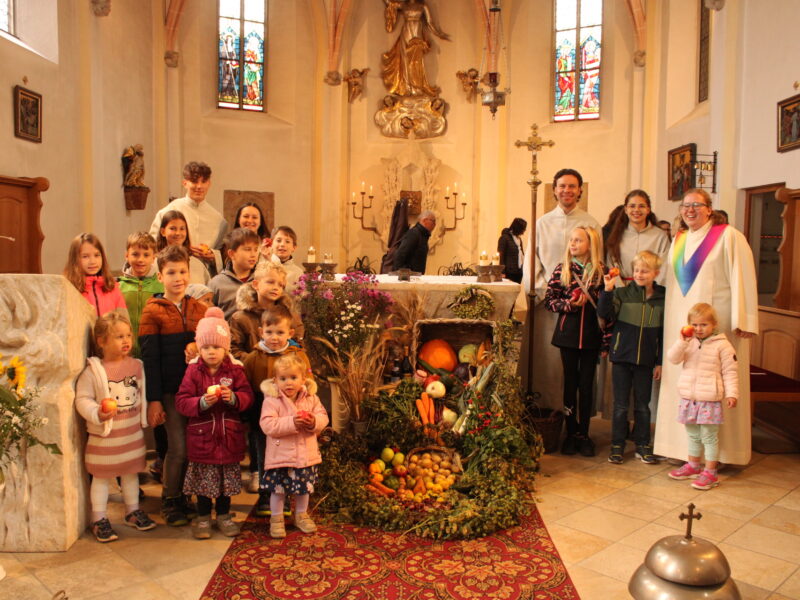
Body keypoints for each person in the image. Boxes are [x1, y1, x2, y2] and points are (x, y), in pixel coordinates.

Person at [655, 189, 758, 466]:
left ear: (709, 209)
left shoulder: (728, 236)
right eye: (685, 206)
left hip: (718, 325)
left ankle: (720, 455)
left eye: (696, 205)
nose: (690, 210)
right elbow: (669, 285)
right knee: (684, 380)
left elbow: (743, 277)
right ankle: (680, 449)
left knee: (716, 383)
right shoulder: (677, 240)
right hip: (682, 322)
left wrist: (744, 319)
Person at [139, 245, 207, 526]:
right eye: (171, 272)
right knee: (177, 448)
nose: (178, 277)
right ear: (160, 276)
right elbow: (149, 359)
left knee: (193, 447)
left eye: (182, 271)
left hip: (196, 390)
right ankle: (170, 498)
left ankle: (186, 496)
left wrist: (198, 344)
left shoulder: (199, 308)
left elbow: (212, 343)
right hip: (169, 390)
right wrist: (153, 399)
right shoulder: (152, 311)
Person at [74, 312, 156, 542]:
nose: (126, 340)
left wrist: (147, 415)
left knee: (131, 473)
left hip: (131, 435)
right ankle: (98, 518)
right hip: (106, 437)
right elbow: (82, 399)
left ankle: (132, 510)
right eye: (119, 336)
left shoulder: (137, 366)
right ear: (101, 341)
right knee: (101, 477)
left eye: (128, 335)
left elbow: (143, 395)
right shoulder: (94, 371)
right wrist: (97, 413)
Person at [521, 169, 600, 406]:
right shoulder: (542, 223)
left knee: (579, 371)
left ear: (580, 191)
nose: (567, 190)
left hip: (582, 307)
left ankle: (576, 421)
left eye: (572, 186)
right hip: (549, 300)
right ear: (554, 190)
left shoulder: (590, 223)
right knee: (549, 362)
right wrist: (542, 292)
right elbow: (531, 261)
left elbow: (597, 260)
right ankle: (548, 411)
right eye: (562, 186)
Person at [175, 307, 253, 538]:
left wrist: (236, 399)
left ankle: (224, 515)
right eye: (206, 347)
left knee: (224, 484)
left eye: (217, 347)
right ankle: (202, 518)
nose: (211, 352)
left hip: (229, 437)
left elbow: (248, 396)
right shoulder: (193, 371)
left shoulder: (235, 370)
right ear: (199, 347)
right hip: (202, 438)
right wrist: (200, 403)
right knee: (203, 483)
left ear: (226, 348)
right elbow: (181, 401)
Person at [243, 305, 314, 515]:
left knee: (287, 457)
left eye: (280, 332)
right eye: (270, 332)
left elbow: (308, 380)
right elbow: (245, 385)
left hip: (291, 416)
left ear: (290, 333)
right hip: (262, 413)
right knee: (265, 456)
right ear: (261, 331)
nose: (274, 337)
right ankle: (267, 497)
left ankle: (286, 496)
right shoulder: (254, 357)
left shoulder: (298, 355)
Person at [544, 226, 607, 456]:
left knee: (587, 386)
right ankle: (570, 434)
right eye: (571, 240)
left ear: (591, 244)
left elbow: (609, 307)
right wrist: (569, 305)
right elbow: (549, 301)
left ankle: (584, 434)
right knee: (570, 384)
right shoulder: (563, 269)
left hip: (591, 336)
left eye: (579, 240)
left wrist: (605, 295)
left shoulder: (601, 271)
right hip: (568, 336)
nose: (573, 244)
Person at [598, 250, 665, 465]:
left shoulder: (663, 297)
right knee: (620, 405)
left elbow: (664, 334)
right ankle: (617, 445)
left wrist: (660, 361)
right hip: (621, 358)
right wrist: (608, 290)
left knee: (643, 406)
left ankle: (643, 445)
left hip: (646, 361)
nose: (639, 274)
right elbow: (604, 313)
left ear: (656, 273)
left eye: (645, 271)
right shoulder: (622, 294)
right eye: (636, 270)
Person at [665, 303, 738, 490]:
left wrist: (732, 394)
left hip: (709, 400)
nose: (698, 329)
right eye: (695, 325)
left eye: (703, 325)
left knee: (709, 437)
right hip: (689, 398)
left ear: (714, 324)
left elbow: (730, 371)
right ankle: (693, 465)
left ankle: (711, 473)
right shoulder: (688, 342)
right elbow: (672, 359)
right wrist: (682, 341)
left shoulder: (723, 345)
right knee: (693, 435)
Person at [259, 354, 329, 538]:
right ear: (275, 380)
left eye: (293, 378)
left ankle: (301, 515)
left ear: (303, 379)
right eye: (283, 379)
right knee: (278, 490)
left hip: (305, 455)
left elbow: (323, 417)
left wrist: (313, 421)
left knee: (303, 488)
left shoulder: (311, 398)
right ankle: (276, 518)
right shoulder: (271, 400)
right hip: (280, 456)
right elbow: (268, 425)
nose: (288, 383)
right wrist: (292, 422)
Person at [149, 161, 227, 276]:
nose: (199, 186)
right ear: (185, 183)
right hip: (170, 272)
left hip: (202, 276)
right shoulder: (167, 211)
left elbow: (223, 252)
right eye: (194, 181)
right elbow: (152, 245)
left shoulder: (218, 219)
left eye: (203, 182)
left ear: (209, 183)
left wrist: (213, 255)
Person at [230, 261, 304, 361]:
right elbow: (234, 350)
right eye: (270, 282)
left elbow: (298, 348)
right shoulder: (241, 318)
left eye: (281, 285)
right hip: (252, 372)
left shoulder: (291, 317)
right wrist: (258, 362)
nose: (276, 288)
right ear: (256, 284)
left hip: (283, 372)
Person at [381, 0, 450, 98]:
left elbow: (430, 22)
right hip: (406, 32)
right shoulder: (403, 4)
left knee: (416, 60)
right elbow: (390, 3)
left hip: (417, 32)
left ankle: (417, 88)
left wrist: (439, 33)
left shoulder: (422, 5)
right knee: (405, 60)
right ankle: (407, 87)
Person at [604, 190, 670, 284]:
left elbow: (664, 267)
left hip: (651, 291)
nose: (636, 210)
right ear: (626, 209)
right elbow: (611, 265)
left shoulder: (660, 236)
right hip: (622, 291)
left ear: (648, 209)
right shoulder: (616, 235)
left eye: (641, 206)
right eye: (632, 206)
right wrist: (623, 292)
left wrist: (651, 291)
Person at [117, 232, 163, 358]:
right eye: (135, 254)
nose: (140, 259)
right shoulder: (118, 287)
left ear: (154, 257)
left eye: (146, 255)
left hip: (153, 353)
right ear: (127, 255)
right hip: (125, 354)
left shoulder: (161, 286)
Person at [63, 233, 128, 318]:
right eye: (85, 256)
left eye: (97, 255)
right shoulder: (69, 289)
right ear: (75, 259)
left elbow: (124, 322)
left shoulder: (112, 287)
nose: (92, 261)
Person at [208, 228, 260, 318]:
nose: (253, 254)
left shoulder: (261, 279)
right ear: (232, 254)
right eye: (248, 249)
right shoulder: (216, 283)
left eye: (256, 250)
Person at [155, 210, 212, 285]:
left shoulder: (197, 264)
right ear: (163, 232)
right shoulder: (154, 263)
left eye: (182, 229)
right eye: (172, 228)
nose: (178, 233)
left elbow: (207, 290)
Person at [268, 226, 304, 293]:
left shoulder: (298, 272)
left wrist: (285, 285)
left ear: (294, 247)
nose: (282, 244)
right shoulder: (264, 265)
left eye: (287, 242)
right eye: (278, 241)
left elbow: (299, 297)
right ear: (271, 244)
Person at [497, 218, 526, 284]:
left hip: (518, 271)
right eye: (523, 229)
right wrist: (502, 272)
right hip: (509, 272)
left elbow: (521, 253)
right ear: (517, 228)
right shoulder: (504, 238)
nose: (524, 231)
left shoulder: (519, 239)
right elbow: (501, 256)